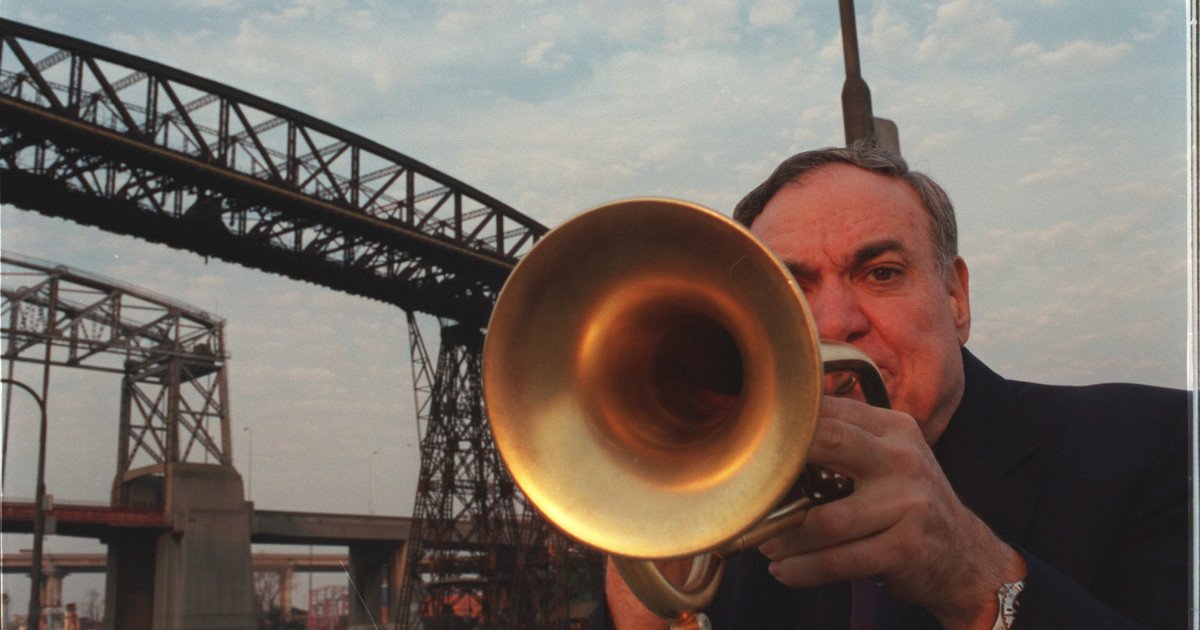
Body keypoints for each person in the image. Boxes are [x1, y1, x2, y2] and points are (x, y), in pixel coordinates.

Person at [590, 144, 1188, 629]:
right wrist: (647, 601)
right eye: (791, 290)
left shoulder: (1160, 441)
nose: (832, 324)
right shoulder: (728, 521)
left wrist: (974, 579)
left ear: (956, 299)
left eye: (881, 274)